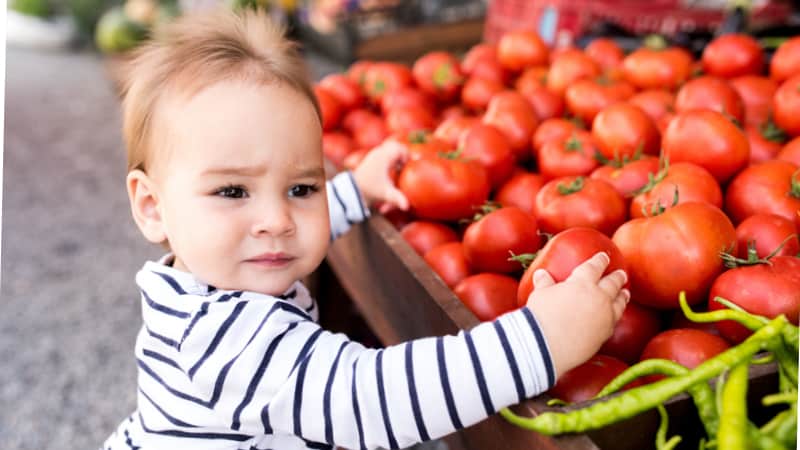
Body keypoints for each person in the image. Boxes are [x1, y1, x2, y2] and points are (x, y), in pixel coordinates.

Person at [103, 8, 630, 450]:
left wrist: (354, 190)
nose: (277, 221)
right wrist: (539, 342)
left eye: (301, 188)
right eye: (233, 192)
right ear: (152, 207)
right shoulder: (226, 340)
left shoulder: (204, 277)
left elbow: (292, 218)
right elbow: (373, 398)